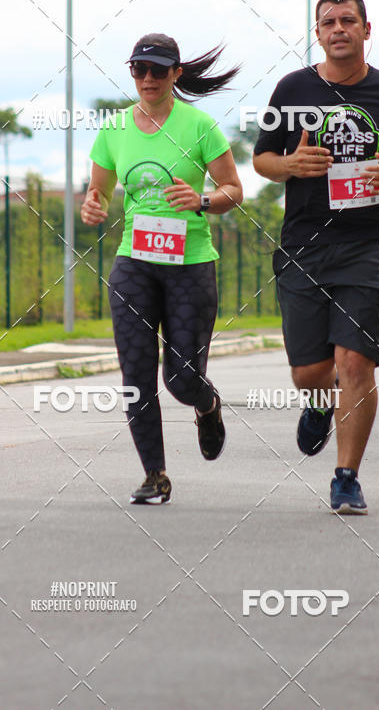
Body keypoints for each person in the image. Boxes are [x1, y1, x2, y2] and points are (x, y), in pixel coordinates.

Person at [253, 0, 379, 514]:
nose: (338, 29)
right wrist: (290, 166)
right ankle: (319, 401)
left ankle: (346, 477)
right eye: (328, 22)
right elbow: (262, 159)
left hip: (370, 247)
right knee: (310, 372)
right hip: (304, 247)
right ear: (318, 33)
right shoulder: (293, 89)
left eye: (348, 20)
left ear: (366, 30)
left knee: (356, 361)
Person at [81, 33, 243, 504]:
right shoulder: (114, 129)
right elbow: (98, 191)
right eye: (139, 69)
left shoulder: (200, 126)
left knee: (181, 378)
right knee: (136, 374)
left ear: (176, 73)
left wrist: (203, 200)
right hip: (134, 263)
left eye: (157, 70)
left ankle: (207, 405)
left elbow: (234, 190)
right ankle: (155, 474)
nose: (147, 78)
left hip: (190, 265)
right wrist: (92, 205)